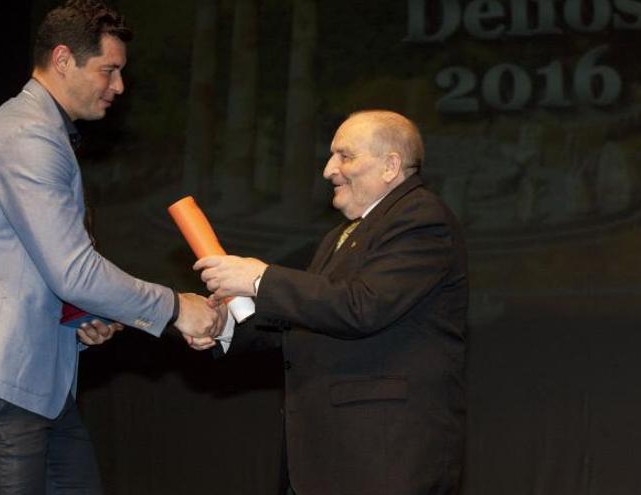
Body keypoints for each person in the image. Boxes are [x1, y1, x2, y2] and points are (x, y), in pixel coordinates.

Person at [0, 1, 223, 493]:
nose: (119, 86)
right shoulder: (27, 136)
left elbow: (23, 265)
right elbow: (72, 271)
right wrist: (175, 307)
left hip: (32, 385)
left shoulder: (41, 133)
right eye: (109, 70)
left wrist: (79, 321)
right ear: (62, 59)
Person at [195, 110, 469, 494]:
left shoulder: (420, 217)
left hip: (382, 458)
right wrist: (220, 326)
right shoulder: (341, 236)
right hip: (329, 458)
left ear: (391, 165)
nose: (328, 170)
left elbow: (362, 307)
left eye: (345, 156)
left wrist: (259, 278)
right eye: (331, 156)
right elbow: (307, 323)